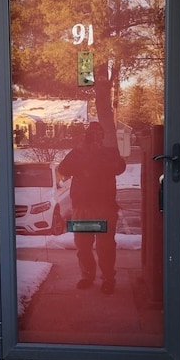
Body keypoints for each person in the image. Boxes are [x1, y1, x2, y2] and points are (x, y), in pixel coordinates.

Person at [58, 121, 126, 294]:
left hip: (105, 207)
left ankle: (108, 279)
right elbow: (63, 168)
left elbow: (120, 167)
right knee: (83, 244)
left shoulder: (110, 152)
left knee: (106, 246)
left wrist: (98, 162)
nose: (97, 138)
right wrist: (82, 157)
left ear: (103, 136)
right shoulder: (78, 152)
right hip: (82, 207)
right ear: (87, 137)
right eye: (93, 135)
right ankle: (87, 276)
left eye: (99, 134)